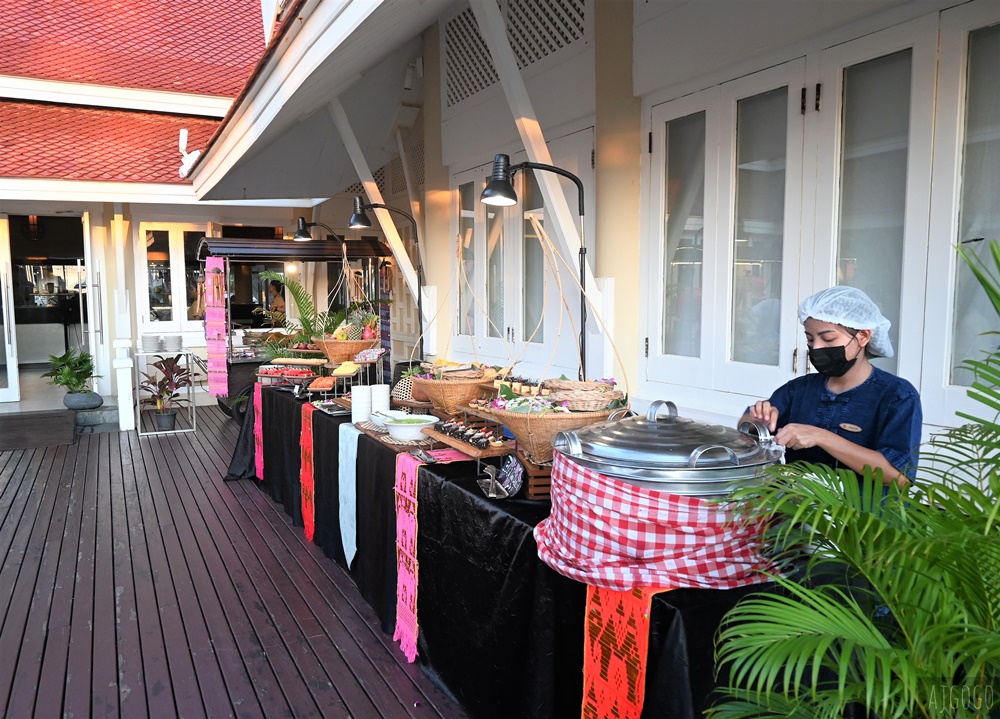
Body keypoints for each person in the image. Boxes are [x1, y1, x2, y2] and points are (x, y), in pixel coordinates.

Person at [743, 286, 921, 487]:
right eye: (810, 339)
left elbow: (899, 478)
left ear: (863, 336)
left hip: (863, 516)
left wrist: (821, 437)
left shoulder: (897, 395)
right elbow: (747, 430)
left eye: (828, 339)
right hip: (798, 512)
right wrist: (756, 421)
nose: (816, 347)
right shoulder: (798, 390)